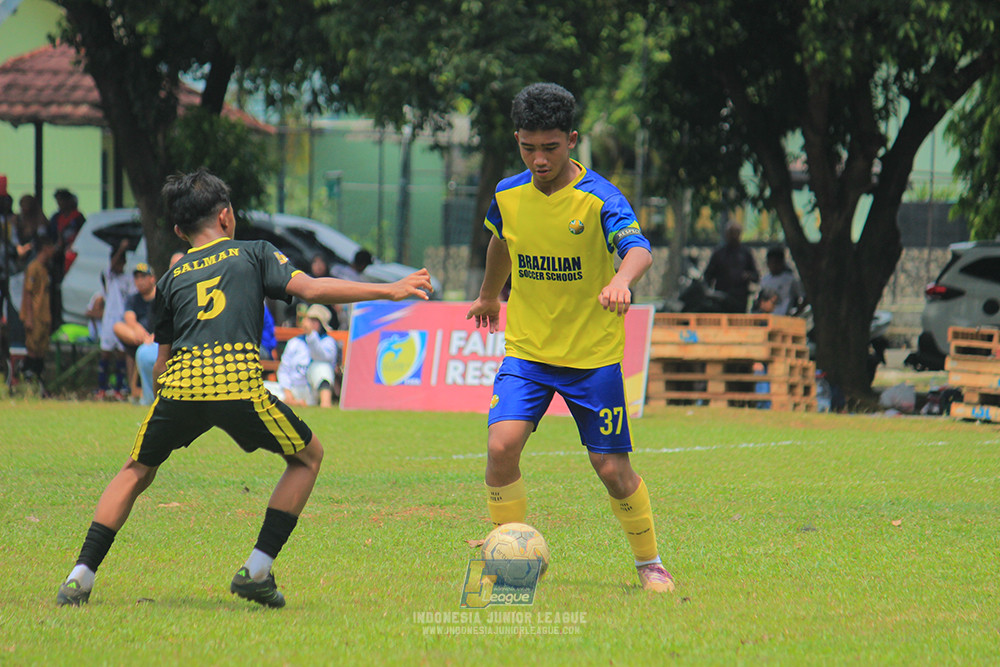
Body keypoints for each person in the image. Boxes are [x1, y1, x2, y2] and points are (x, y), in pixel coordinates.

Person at [55, 168, 432, 608]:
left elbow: (159, 368)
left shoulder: (171, 280)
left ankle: (79, 577)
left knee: (135, 471)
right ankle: (256, 570)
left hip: (180, 388)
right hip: (236, 384)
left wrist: (179, 402)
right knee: (308, 457)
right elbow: (311, 288)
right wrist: (390, 290)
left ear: (179, 231)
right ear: (228, 216)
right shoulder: (254, 253)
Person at [465, 83, 673, 593]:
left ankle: (650, 563)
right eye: (528, 147)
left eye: (550, 148)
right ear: (517, 140)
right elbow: (500, 241)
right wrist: (491, 295)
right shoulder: (507, 194)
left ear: (572, 140)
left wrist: (622, 280)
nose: (538, 159)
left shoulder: (601, 198)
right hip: (529, 353)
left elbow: (639, 249)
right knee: (501, 446)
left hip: (592, 358)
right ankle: (510, 561)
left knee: (610, 468)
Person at [276, 304, 340, 407]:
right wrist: (287, 392)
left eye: (314, 321)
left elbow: (320, 356)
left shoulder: (328, 342)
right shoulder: (294, 342)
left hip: (313, 391)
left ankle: (325, 404)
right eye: (309, 320)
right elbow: (284, 369)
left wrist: (311, 335)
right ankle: (293, 402)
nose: (310, 324)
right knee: (265, 388)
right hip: (294, 389)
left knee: (323, 367)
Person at [112, 262, 158, 404]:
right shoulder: (133, 298)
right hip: (139, 338)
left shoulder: (161, 297)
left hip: (159, 339)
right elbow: (129, 318)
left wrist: (156, 336)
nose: (140, 281)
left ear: (152, 278)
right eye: (137, 277)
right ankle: (135, 390)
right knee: (118, 326)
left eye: (143, 277)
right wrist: (140, 331)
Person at [96, 239, 134, 400]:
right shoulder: (108, 275)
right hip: (108, 320)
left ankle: (119, 388)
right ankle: (101, 388)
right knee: (105, 354)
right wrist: (121, 248)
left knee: (120, 354)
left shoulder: (128, 279)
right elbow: (111, 266)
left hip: (122, 320)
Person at [19, 235, 57, 382]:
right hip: (34, 316)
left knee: (41, 349)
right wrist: (28, 317)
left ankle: (38, 381)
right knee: (32, 348)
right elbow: (28, 293)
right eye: (51, 247)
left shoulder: (45, 269)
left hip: (44, 315)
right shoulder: (33, 267)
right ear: (45, 248)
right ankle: (26, 377)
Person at [49, 189, 86, 329]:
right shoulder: (56, 218)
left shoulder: (78, 218)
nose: (60, 204)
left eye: (62, 200)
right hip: (58, 260)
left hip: (73, 259)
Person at [703, 221, 759, 313]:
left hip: (740, 299)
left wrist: (748, 276)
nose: (733, 236)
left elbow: (755, 276)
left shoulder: (745, 253)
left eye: (735, 232)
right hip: (721, 298)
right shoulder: (719, 253)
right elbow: (708, 275)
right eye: (730, 233)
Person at [759, 245, 803, 316]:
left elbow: (802, 298)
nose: (773, 266)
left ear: (782, 262)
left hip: (784, 317)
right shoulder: (764, 280)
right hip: (768, 319)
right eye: (771, 262)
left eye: (776, 262)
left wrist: (795, 314)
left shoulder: (790, 280)